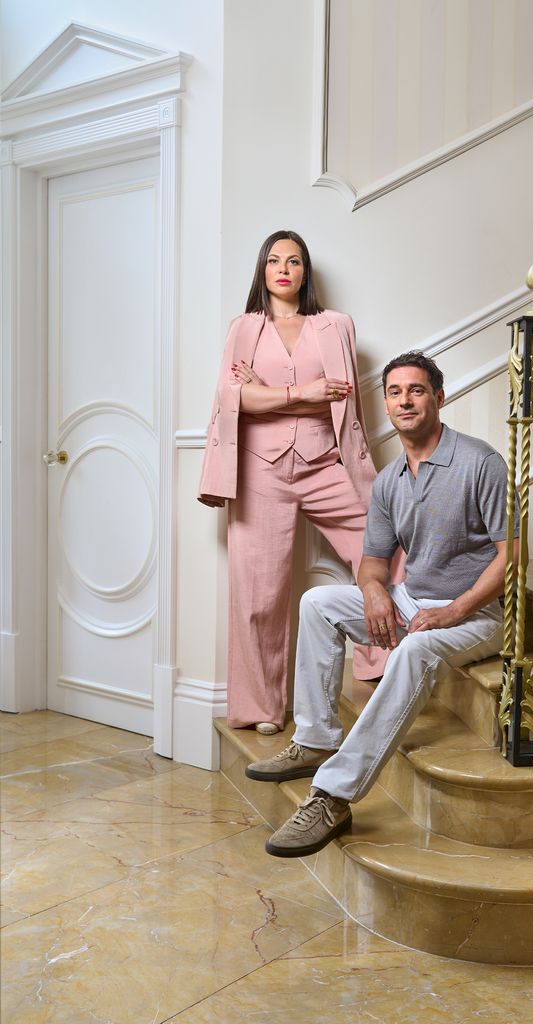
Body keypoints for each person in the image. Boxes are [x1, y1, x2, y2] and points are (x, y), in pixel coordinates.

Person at [245, 351, 518, 857]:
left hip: (479, 614)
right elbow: (372, 562)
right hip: (413, 599)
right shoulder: (391, 480)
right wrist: (374, 591)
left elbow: (511, 558)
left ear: (439, 397)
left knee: (414, 652)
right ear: (387, 405)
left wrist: (454, 611)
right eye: (395, 392)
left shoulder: (481, 462)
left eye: (416, 390)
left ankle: (332, 795)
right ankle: (315, 737)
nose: (404, 401)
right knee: (318, 602)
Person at [197, 230, 385, 734]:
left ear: (306, 272)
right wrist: (305, 391)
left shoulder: (335, 325)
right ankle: (261, 706)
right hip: (261, 468)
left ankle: (381, 662)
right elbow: (233, 400)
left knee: (382, 546)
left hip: (327, 462)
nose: (284, 268)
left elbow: (338, 398)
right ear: (262, 270)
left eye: (295, 261)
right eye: (274, 260)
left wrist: (270, 393)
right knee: (258, 594)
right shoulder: (244, 328)